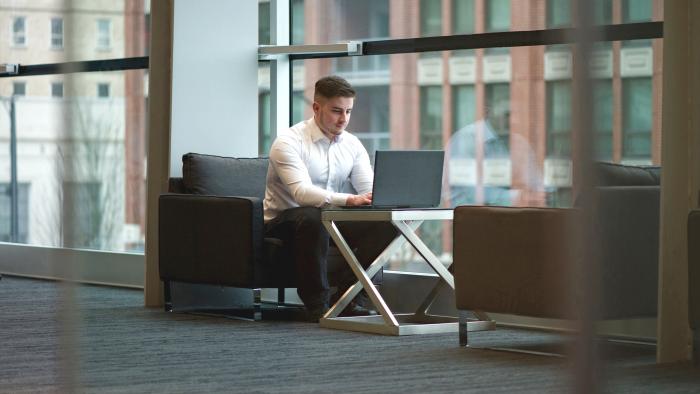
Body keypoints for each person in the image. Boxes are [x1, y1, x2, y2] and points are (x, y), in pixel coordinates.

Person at [263, 75, 397, 322]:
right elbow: (302, 194)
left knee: (389, 222)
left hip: (330, 219)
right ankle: (318, 305)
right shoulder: (288, 142)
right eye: (336, 111)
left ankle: (347, 295)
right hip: (286, 221)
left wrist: (388, 199)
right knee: (314, 216)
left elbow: (368, 189)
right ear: (316, 107)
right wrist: (349, 200)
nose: (343, 119)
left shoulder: (352, 144)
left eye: (348, 111)